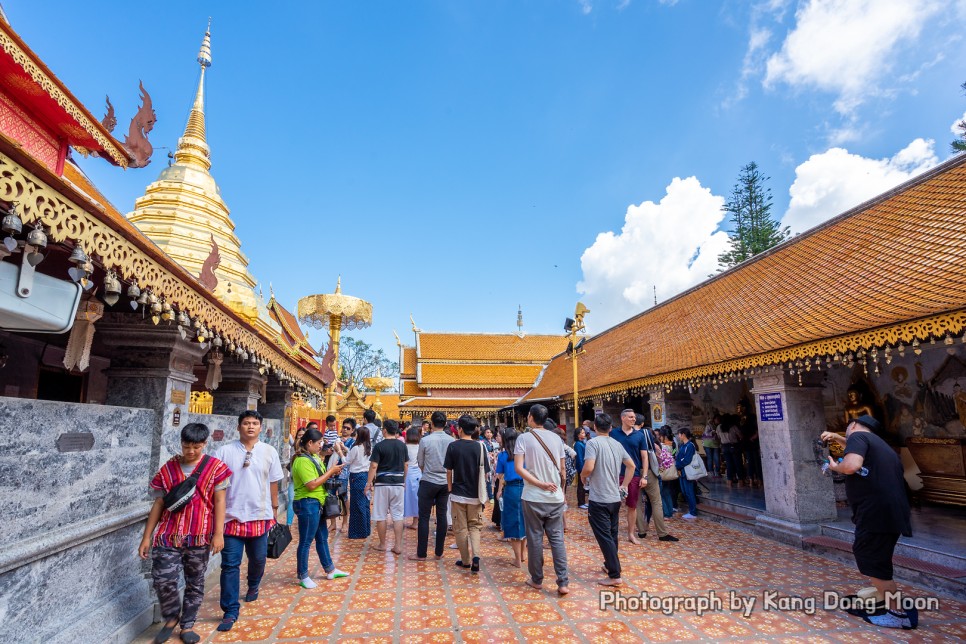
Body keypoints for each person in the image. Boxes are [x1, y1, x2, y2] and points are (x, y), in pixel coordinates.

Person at [822, 416, 917, 630]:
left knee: (873, 560)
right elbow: (857, 453)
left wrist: (835, 467)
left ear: (854, 426)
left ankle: (897, 614)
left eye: (846, 429)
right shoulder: (877, 444)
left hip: (876, 513)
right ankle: (891, 605)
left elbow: (852, 465)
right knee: (877, 559)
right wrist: (838, 437)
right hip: (890, 512)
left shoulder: (857, 437)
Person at [139, 423, 231, 644]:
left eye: (196, 447)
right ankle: (171, 617)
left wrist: (219, 533)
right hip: (167, 533)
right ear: (180, 443)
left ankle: (187, 625)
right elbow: (158, 503)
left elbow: (220, 501)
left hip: (199, 534)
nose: (190, 451)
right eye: (186, 446)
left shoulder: (216, 468)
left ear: (205, 444)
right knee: (163, 579)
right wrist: (146, 537)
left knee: (195, 582)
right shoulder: (168, 468)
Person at [213, 411, 283, 633]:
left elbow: (273, 482)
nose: (250, 427)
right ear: (238, 427)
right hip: (231, 517)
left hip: (259, 515)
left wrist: (274, 509)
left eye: (254, 423)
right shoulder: (224, 451)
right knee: (230, 565)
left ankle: (253, 584)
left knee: (258, 559)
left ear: (260, 427)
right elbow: (212, 480)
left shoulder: (269, 451)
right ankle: (230, 610)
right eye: (246, 423)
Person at [514, 404, 570, 595]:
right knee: (557, 539)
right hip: (554, 496)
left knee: (535, 538)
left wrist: (539, 484)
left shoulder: (523, 438)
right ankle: (563, 582)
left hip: (532, 496)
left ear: (530, 417)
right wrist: (561, 492)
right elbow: (563, 470)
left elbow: (519, 468)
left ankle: (537, 579)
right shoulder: (556, 438)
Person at [581, 413, 635, 587]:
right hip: (614, 497)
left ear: (594, 427)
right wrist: (624, 485)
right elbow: (631, 466)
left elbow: (588, 467)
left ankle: (615, 574)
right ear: (611, 428)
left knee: (604, 536)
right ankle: (610, 565)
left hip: (600, 497)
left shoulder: (592, 443)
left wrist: (583, 476)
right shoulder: (617, 444)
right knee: (611, 534)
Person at [291, 429, 348, 588]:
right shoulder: (302, 460)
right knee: (306, 541)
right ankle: (303, 575)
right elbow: (311, 484)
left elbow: (320, 479)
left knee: (322, 537)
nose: (321, 446)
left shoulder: (314, 457)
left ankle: (330, 569)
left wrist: (333, 473)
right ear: (309, 443)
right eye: (319, 443)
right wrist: (330, 471)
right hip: (307, 502)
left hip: (318, 502)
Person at [445, 414, 490, 572]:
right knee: (475, 526)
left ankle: (465, 560)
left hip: (458, 493)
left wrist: (450, 489)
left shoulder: (453, 446)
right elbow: (485, 472)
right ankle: (476, 555)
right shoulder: (481, 447)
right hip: (476, 494)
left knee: (461, 528)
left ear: (460, 429)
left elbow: (449, 471)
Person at [411, 411, 455, 561]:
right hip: (445, 482)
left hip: (428, 480)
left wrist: (428, 471)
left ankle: (422, 553)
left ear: (431, 423)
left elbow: (420, 462)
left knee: (424, 517)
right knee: (442, 515)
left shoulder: (425, 440)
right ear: (445, 423)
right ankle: (439, 552)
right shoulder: (451, 440)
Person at [365, 419, 409, 554]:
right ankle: (398, 546)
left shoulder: (379, 446)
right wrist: (403, 480)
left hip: (382, 483)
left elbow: (373, 466)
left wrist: (368, 483)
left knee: (381, 514)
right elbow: (406, 464)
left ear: (384, 430)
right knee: (397, 515)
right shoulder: (402, 446)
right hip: (398, 483)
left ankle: (382, 544)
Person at [609, 409, 648, 545]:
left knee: (632, 505)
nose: (633, 419)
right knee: (613, 505)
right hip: (615, 474)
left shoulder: (640, 435)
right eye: (631, 417)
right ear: (623, 418)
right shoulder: (613, 434)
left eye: (634, 417)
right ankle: (611, 532)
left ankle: (631, 534)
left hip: (634, 475)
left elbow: (644, 456)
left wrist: (645, 476)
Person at [495, 428, 525, 566]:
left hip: (511, 489)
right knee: (525, 520)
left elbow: (500, 475)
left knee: (513, 522)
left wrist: (499, 490)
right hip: (526, 488)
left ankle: (517, 559)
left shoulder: (502, 455)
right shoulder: (524, 454)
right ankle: (523, 555)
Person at [345, 426, 372, 539]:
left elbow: (347, 461)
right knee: (364, 504)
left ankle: (358, 531)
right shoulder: (369, 448)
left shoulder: (356, 448)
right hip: (365, 476)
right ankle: (365, 529)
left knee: (357, 504)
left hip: (356, 476)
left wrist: (340, 453)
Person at [674, 428, 698, 519]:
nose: (678, 436)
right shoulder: (683, 445)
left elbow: (687, 460)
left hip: (687, 472)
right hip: (682, 472)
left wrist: (678, 466)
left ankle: (693, 512)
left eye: (679, 434)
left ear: (683, 434)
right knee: (684, 491)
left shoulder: (690, 446)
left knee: (689, 491)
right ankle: (691, 510)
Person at [286, 427, 306, 525]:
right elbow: (287, 433)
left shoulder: (308, 452)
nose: (301, 438)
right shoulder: (294, 447)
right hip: (293, 481)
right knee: (291, 501)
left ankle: (302, 522)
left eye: (303, 436)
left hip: (305, 482)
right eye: (299, 435)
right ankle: (288, 524)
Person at [403, 426, 422, 530]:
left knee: (402, 498)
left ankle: (399, 519)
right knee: (416, 498)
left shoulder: (404, 447)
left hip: (406, 473)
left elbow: (403, 463)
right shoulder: (420, 447)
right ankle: (415, 521)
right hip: (418, 473)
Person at [574, 426, 588, 509]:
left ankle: (583, 501)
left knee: (583, 485)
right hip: (581, 468)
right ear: (578, 435)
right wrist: (582, 469)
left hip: (583, 467)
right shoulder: (578, 444)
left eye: (584, 432)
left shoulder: (582, 443)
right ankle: (581, 502)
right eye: (582, 433)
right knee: (581, 485)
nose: (584, 434)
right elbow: (579, 458)